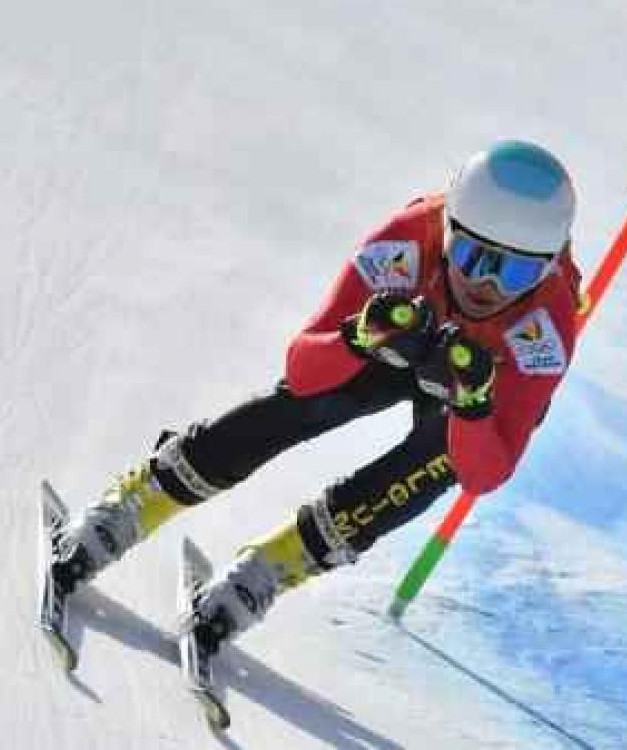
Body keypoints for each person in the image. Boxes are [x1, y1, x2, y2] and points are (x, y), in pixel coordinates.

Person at [52, 139, 583, 653]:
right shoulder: (404, 243)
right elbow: (303, 371)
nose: (485, 284)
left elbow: (482, 474)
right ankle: (131, 506)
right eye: (468, 255)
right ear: (446, 228)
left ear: (548, 267)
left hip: (471, 381)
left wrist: (472, 406)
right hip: (394, 343)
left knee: (433, 465)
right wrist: (358, 338)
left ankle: (264, 572)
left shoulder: (546, 326)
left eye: (515, 270)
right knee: (310, 402)